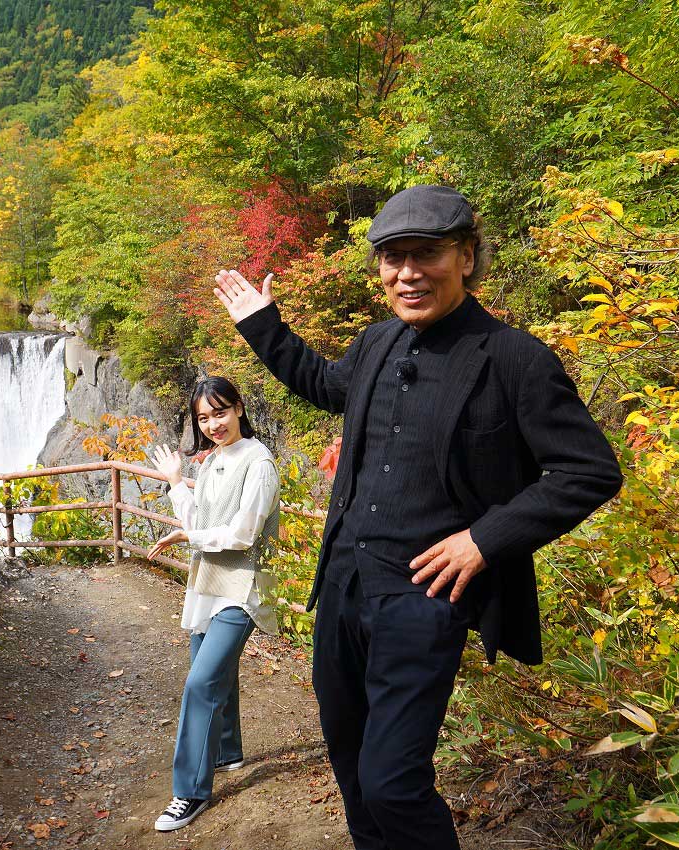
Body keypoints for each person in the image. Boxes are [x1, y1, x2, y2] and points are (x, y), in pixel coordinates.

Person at [212, 184, 623, 849]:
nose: (408, 272)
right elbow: (325, 385)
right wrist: (265, 324)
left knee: (392, 781)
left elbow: (590, 471)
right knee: (349, 761)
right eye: (393, 257)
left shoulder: (515, 360)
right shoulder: (377, 343)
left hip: (425, 597)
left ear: (465, 256)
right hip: (345, 583)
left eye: (426, 253)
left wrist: (483, 541)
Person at [146, 376, 280, 832]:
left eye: (220, 412)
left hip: (242, 588)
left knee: (200, 682)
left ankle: (189, 793)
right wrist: (176, 483)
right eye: (204, 418)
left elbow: (243, 534)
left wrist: (192, 536)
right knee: (214, 675)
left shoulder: (258, 462)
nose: (213, 424)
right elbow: (197, 519)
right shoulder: (213, 460)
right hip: (207, 585)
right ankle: (227, 752)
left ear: (239, 408)